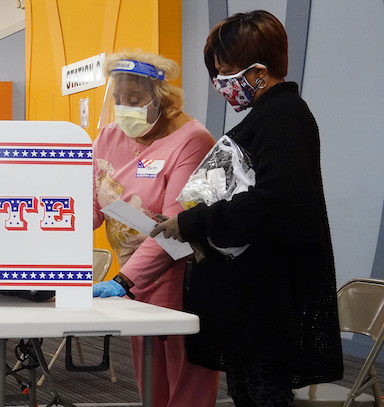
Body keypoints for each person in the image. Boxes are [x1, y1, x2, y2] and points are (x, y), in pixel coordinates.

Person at [149, 11, 343, 406]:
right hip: (251, 298)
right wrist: (193, 224)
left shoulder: (283, 115)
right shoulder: (270, 115)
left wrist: (194, 222)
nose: (221, 83)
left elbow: (274, 201)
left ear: (258, 70)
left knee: (262, 393)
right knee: (247, 390)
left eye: (227, 71)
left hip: (266, 301)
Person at [90, 51, 220, 406]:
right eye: (117, 99)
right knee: (150, 381)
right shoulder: (108, 137)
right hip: (133, 277)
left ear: (161, 98)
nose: (124, 109)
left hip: (183, 278)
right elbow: (92, 205)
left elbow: (175, 226)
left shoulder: (192, 140)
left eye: (134, 100)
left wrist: (122, 281)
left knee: (186, 382)